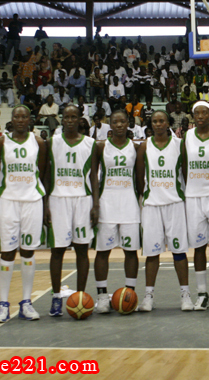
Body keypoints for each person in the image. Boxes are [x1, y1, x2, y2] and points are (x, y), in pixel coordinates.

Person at [0, 106, 47, 323]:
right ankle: (3, 304)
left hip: (32, 200)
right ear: (11, 120)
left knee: (28, 251)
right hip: (8, 200)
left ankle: (26, 302)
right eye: (17, 116)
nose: (21, 119)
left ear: (30, 119)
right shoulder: (1, 142)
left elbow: (41, 172)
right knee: (7, 252)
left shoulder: (39, 143)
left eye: (24, 116)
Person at [135, 110, 192, 311]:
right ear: (151, 124)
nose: (158, 124)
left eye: (162, 121)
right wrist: (144, 199)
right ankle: (148, 296)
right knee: (152, 254)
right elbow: (139, 177)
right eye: (155, 121)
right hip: (152, 205)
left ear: (168, 122)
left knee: (179, 252)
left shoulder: (179, 145)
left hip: (175, 203)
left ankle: (185, 295)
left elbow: (185, 173)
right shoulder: (144, 146)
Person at [44, 105, 98, 317]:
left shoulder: (90, 144)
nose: (69, 120)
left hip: (82, 199)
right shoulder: (52, 142)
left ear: (79, 120)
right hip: (58, 199)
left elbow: (94, 176)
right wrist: (46, 203)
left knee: (82, 249)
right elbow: (47, 175)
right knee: (57, 250)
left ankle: (81, 295)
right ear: (61, 119)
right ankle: (56, 297)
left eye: (73, 116)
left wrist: (96, 204)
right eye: (66, 116)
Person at [90, 110, 140, 313]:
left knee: (131, 251)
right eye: (115, 122)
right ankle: (102, 295)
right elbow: (93, 176)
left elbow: (140, 177)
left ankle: (130, 293)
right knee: (103, 251)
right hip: (107, 201)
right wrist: (95, 204)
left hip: (129, 201)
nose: (119, 125)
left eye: (122, 121)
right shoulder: (101, 146)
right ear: (109, 125)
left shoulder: (136, 147)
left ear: (128, 123)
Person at [180, 101, 209, 310]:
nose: (200, 116)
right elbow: (183, 165)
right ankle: (202, 293)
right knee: (198, 246)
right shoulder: (187, 136)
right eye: (196, 113)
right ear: (192, 116)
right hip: (193, 197)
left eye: (204, 112)